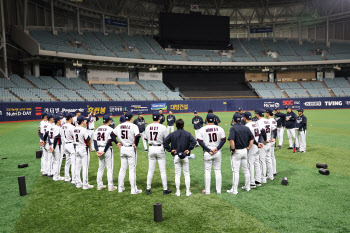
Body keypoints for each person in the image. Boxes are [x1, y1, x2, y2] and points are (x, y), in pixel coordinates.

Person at [111, 111, 142, 195]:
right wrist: (135, 144)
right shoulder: (134, 126)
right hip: (130, 148)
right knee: (132, 170)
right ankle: (133, 190)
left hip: (123, 148)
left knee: (122, 169)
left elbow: (112, 134)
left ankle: (120, 188)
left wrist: (117, 143)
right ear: (131, 118)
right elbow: (138, 136)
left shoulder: (120, 126)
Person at [164, 119, 196, 197]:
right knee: (186, 174)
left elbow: (165, 142)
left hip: (176, 156)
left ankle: (178, 192)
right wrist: (188, 149)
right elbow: (194, 142)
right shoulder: (187, 133)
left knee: (177, 175)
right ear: (183, 125)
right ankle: (188, 191)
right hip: (185, 156)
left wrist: (170, 150)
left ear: (176, 125)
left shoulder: (173, 134)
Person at [197, 113, 226, 195]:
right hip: (217, 152)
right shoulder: (219, 128)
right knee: (217, 170)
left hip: (207, 153)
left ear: (206, 120)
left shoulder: (202, 129)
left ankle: (207, 190)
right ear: (214, 120)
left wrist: (208, 149)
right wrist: (217, 148)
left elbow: (199, 141)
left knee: (207, 171)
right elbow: (223, 139)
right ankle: (219, 190)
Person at [144, 112, 172, 195]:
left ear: (152, 117)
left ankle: (148, 189)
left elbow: (145, 138)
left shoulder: (148, 126)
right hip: (160, 148)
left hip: (151, 148)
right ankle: (165, 189)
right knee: (162, 170)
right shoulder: (163, 127)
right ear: (160, 118)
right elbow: (166, 139)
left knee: (150, 170)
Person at [227, 113, 254, 195]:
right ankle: (247, 187)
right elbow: (252, 138)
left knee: (236, 171)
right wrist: (249, 147)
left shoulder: (233, 128)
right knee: (246, 170)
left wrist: (232, 149)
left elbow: (231, 140)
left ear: (234, 120)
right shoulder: (246, 127)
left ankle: (234, 190)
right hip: (244, 151)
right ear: (241, 119)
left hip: (237, 151)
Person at [94, 115, 118, 191]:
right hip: (106, 149)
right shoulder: (110, 129)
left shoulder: (98, 129)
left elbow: (94, 141)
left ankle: (99, 185)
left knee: (100, 168)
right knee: (109, 168)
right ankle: (110, 186)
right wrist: (104, 151)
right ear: (109, 121)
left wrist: (97, 150)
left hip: (99, 148)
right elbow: (109, 141)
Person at [244, 112, 263, 189]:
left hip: (252, 146)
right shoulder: (255, 124)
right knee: (256, 162)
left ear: (245, 118)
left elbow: (249, 138)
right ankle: (258, 180)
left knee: (250, 163)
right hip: (257, 145)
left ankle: (252, 182)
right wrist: (259, 142)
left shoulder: (247, 126)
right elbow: (260, 134)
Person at [74, 115, 93, 190]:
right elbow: (88, 139)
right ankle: (85, 185)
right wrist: (89, 147)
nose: (85, 121)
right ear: (82, 122)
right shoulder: (83, 129)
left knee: (77, 167)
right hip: (83, 148)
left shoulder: (74, 129)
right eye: (84, 120)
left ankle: (78, 183)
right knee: (85, 167)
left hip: (77, 148)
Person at [255, 109, 274, 183]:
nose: (255, 115)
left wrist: (265, 139)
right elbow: (273, 129)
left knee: (262, 161)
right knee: (268, 159)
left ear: (258, 114)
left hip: (263, 143)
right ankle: (271, 176)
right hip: (269, 143)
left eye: (256, 114)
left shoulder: (259, 122)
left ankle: (263, 178)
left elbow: (262, 130)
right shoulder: (268, 121)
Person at [61, 113, 76, 184]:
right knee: (73, 163)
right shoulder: (71, 127)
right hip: (71, 145)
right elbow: (75, 137)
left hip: (65, 145)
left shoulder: (62, 126)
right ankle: (73, 179)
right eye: (72, 117)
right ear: (70, 118)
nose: (72, 118)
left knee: (67, 162)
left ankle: (66, 178)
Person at [52, 115, 65, 181]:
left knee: (55, 161)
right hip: (56, 146)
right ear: (57, 121)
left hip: (52, 145)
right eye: (60, 120)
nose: (61, 121)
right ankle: (56, 176)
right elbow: (56, 138)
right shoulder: (57, 128)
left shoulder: (52, 127)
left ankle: (55, 175)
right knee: (58, 161)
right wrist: (53, 147)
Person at [266, 108, 278, 176]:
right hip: (272, 140)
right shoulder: (273, 120)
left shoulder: (270, 121)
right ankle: (274, 171)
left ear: (268, 113)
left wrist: (273, 138)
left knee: (269, 156)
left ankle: (270, 172)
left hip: (270, 140)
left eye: (266, 113)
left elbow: (274, 130)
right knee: (272, 156)